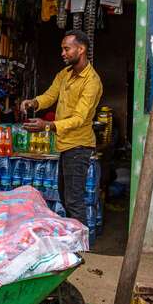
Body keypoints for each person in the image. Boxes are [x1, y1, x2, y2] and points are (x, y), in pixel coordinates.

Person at [21, 30, 102, 226]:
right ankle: (75, 243)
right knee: (66, 198)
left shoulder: (92, 82)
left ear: (80, 49)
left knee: (74, 201)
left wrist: (47, 125)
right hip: (65, 146)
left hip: (79, 146)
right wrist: (34, 103)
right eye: (62, 49)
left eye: (67, 49)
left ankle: (81, 247)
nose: (63, 53)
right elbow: (50, 96)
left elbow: (79, 119)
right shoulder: (64, 74)